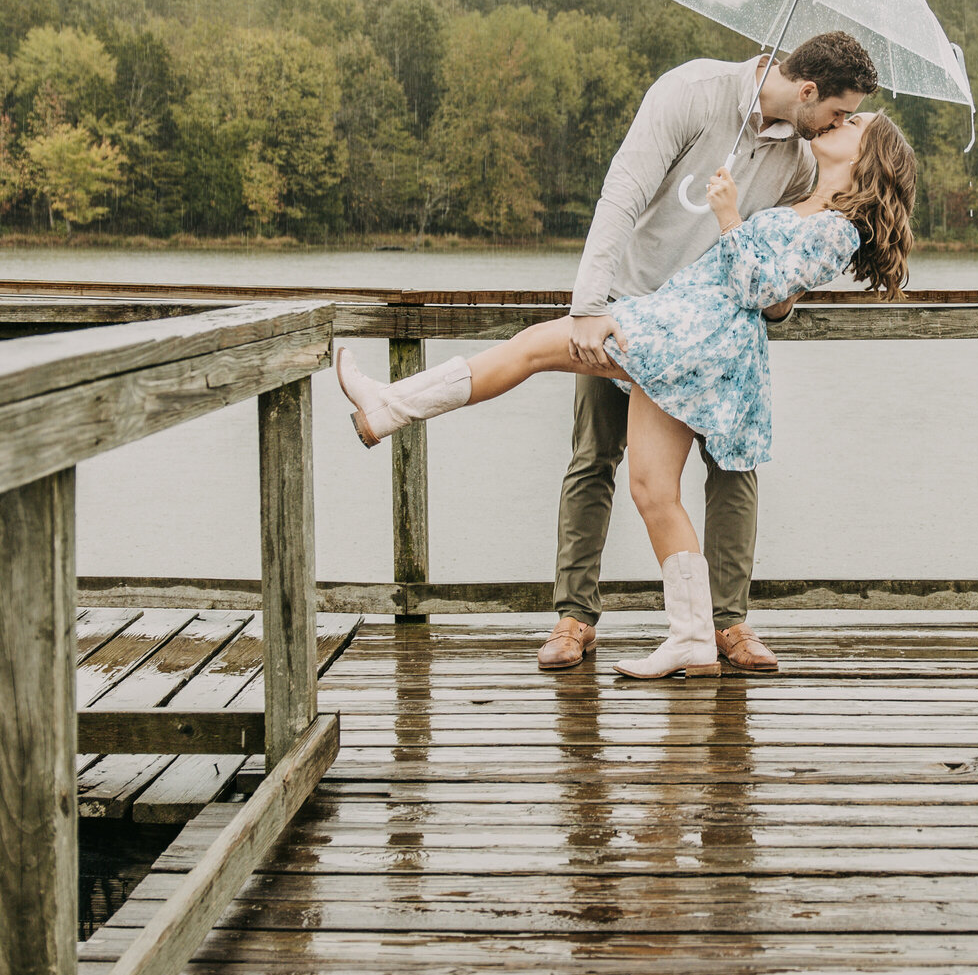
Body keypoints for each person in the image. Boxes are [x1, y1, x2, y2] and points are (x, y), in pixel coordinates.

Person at [335, 110, 917, 680]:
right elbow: (769, 287)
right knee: (653, 490)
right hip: (682, 328)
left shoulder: (839, 229)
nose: (841, 122)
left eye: (855, 125)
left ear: (870, 158)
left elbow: (758, 288)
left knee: (534, 348)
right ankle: (692, 640)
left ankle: (388, 407)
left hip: (689, 339)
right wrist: (737, 223)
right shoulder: (805, 206)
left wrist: (729, 215)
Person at [548, 31, 879, 675]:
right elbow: (621, 195)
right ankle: (575, 617)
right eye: (839, 111)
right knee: (594, 456)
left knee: (733, 465)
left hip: (717, 334)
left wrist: (784, 299)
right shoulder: (693, 94)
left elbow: (779, 274)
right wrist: (589, 304)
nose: (840, 123)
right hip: (633, 305)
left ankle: (727, 623)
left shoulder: (804, 163)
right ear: (807, 91)